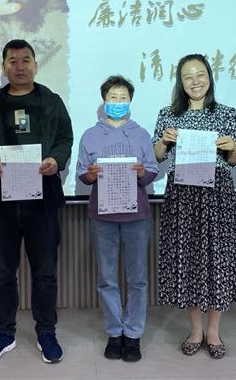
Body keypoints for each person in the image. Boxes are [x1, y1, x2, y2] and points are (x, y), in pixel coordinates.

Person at [0, 39, 73, 365]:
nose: (19, 66)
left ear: (35, 65)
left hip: (42, 202)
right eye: (12, 61)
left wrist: (56, 159)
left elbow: (65, 138)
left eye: (25, 60)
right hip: (1, 203)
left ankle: (46, 332)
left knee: (45, 273)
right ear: (3, 67)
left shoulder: (51, 101)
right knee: (2, 274)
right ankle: (4, 333)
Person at [152, 54, 236, 360]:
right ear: (181, 82)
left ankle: (214, 331)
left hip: (217, 195)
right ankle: (195, 330)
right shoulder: (169, 115)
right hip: (183, 195)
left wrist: (233, 147)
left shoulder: (226, 113)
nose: (195, 81)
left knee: (218, 260)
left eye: (200, 74)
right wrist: (164, 142)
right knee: (188, 260)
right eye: (188, 76)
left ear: (209, 77)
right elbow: (157, 156)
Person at [77, 76, 158, 362]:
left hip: (136, 215)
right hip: (102, 216)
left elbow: (152, 170)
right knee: (107, 278)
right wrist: (89, 175)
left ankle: (133, 334)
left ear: (130, 101)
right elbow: (82, 173)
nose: (118, 102)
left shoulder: (141, 134)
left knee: (138, 279)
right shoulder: (90, 135)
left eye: (123, 97)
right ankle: (114, 332)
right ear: (104, 100)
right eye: (113, 97)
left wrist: (143, 173)